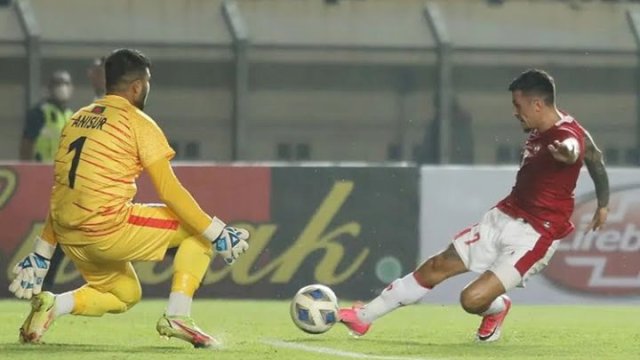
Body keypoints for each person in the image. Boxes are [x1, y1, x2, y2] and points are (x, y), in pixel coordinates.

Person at [340, 69, 610, 342]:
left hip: (536, 235)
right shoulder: (550, 128)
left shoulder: (565, 136)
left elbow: (574, 149)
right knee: (436, 265)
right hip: (504, 215)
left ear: (537, 104)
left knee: (471, 300)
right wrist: (604, 203)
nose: (516, 112)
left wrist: (568, 154)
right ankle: (363, 318)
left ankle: (497, 308)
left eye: (518, 106)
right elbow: (595, 158)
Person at [8, 48, 250, 348]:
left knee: (125, 294)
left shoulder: (77, 120)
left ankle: (53, 306)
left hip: (70, 236)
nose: (148, 88)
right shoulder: (138, 123)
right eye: (147, 82)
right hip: (107, 229)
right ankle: (178, 317)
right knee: (197, 233)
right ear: (137, 86)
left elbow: (63, 189)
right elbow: (170, 191)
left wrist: (43, 252)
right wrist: (217, 233)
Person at [42, 56, 108, 292]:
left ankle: (174, 250)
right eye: (92, 70)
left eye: (97, 70)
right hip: (86, 175)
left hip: (102, 176)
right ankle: (46, 283)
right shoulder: (96, 100)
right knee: (68, 225)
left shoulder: (114, 99)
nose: (92, 74)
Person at [20, 70, 74, 162]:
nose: (63, 88)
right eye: (58, 84)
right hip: (42, 169)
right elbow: (27, 144)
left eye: (66, 84)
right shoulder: (39, 112)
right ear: (50, 88)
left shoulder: (72, 115)